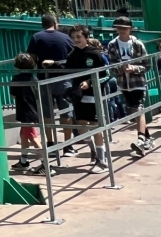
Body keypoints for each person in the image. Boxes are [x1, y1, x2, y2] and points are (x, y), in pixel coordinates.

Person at [65, 25, 111, 171]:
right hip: (78, 95)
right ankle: (93, 150)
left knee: (96, 126)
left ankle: (102, 160)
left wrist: (90, 82)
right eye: (73, 37)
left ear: (86, 37)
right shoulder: (72, 55)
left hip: (94, 95)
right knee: (81, 126)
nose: (76, 40)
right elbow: (66, 70)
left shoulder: (96, 55)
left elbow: (106, 75)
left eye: (78, 36)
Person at [105, 16, 152, 156]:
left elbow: (147, 65)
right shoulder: (112, 44)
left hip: (137, 82)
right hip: (123, 83)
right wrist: (120, 69)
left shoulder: (138, 44)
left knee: (138, 108)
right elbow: (112, 65)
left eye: (124, 28)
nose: (122, 30)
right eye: (119, 28)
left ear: (130, 29)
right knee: (133, 110)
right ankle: (148, 137)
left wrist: (134, 68)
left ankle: (140, 140)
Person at [28, 13, 76, 149]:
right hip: (64, 79)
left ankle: (50, 142)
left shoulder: (36, 37)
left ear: (42, 24)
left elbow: (31, 59)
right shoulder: (65, 37)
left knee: (47, 113)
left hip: (44, 79)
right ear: (55, 23)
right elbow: (73, 57)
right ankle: (68, 145)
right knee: (66, 111)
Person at [9, 53, 42, 173]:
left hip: (25, 112)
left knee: (33, 138)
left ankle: (45, 164)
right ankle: (24, 161)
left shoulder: (16, 79)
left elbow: (13, 95)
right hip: (33, 110)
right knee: (23, 135)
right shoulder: (34, 78)